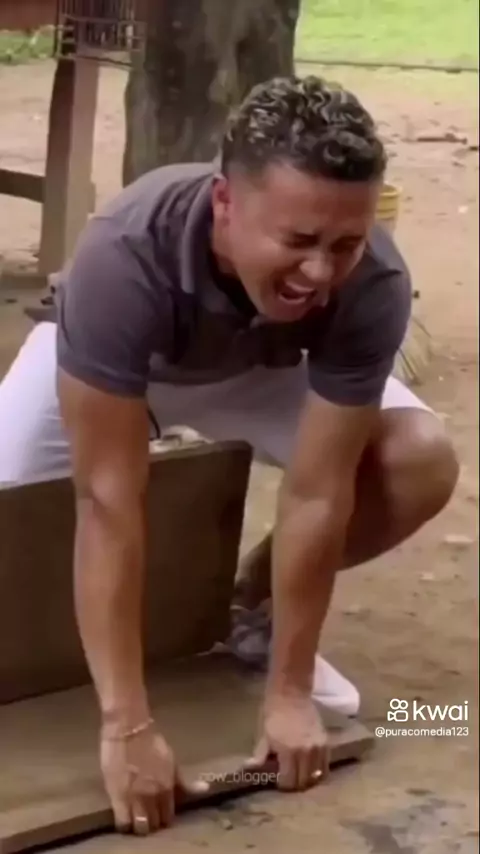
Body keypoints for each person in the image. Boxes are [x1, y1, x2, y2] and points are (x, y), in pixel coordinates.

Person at [0, 75, 458, 835]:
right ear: (224, 205)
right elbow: (109, 502)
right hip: (125, 364)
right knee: (11, 503)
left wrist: (289, 692)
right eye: (299, 241)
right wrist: (127, 726)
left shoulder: (372, 279)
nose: (321, 272)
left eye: (344, 245)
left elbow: (319, 492)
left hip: (263, 365)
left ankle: (251, 613)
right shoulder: (123, 252)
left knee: (419, 457)